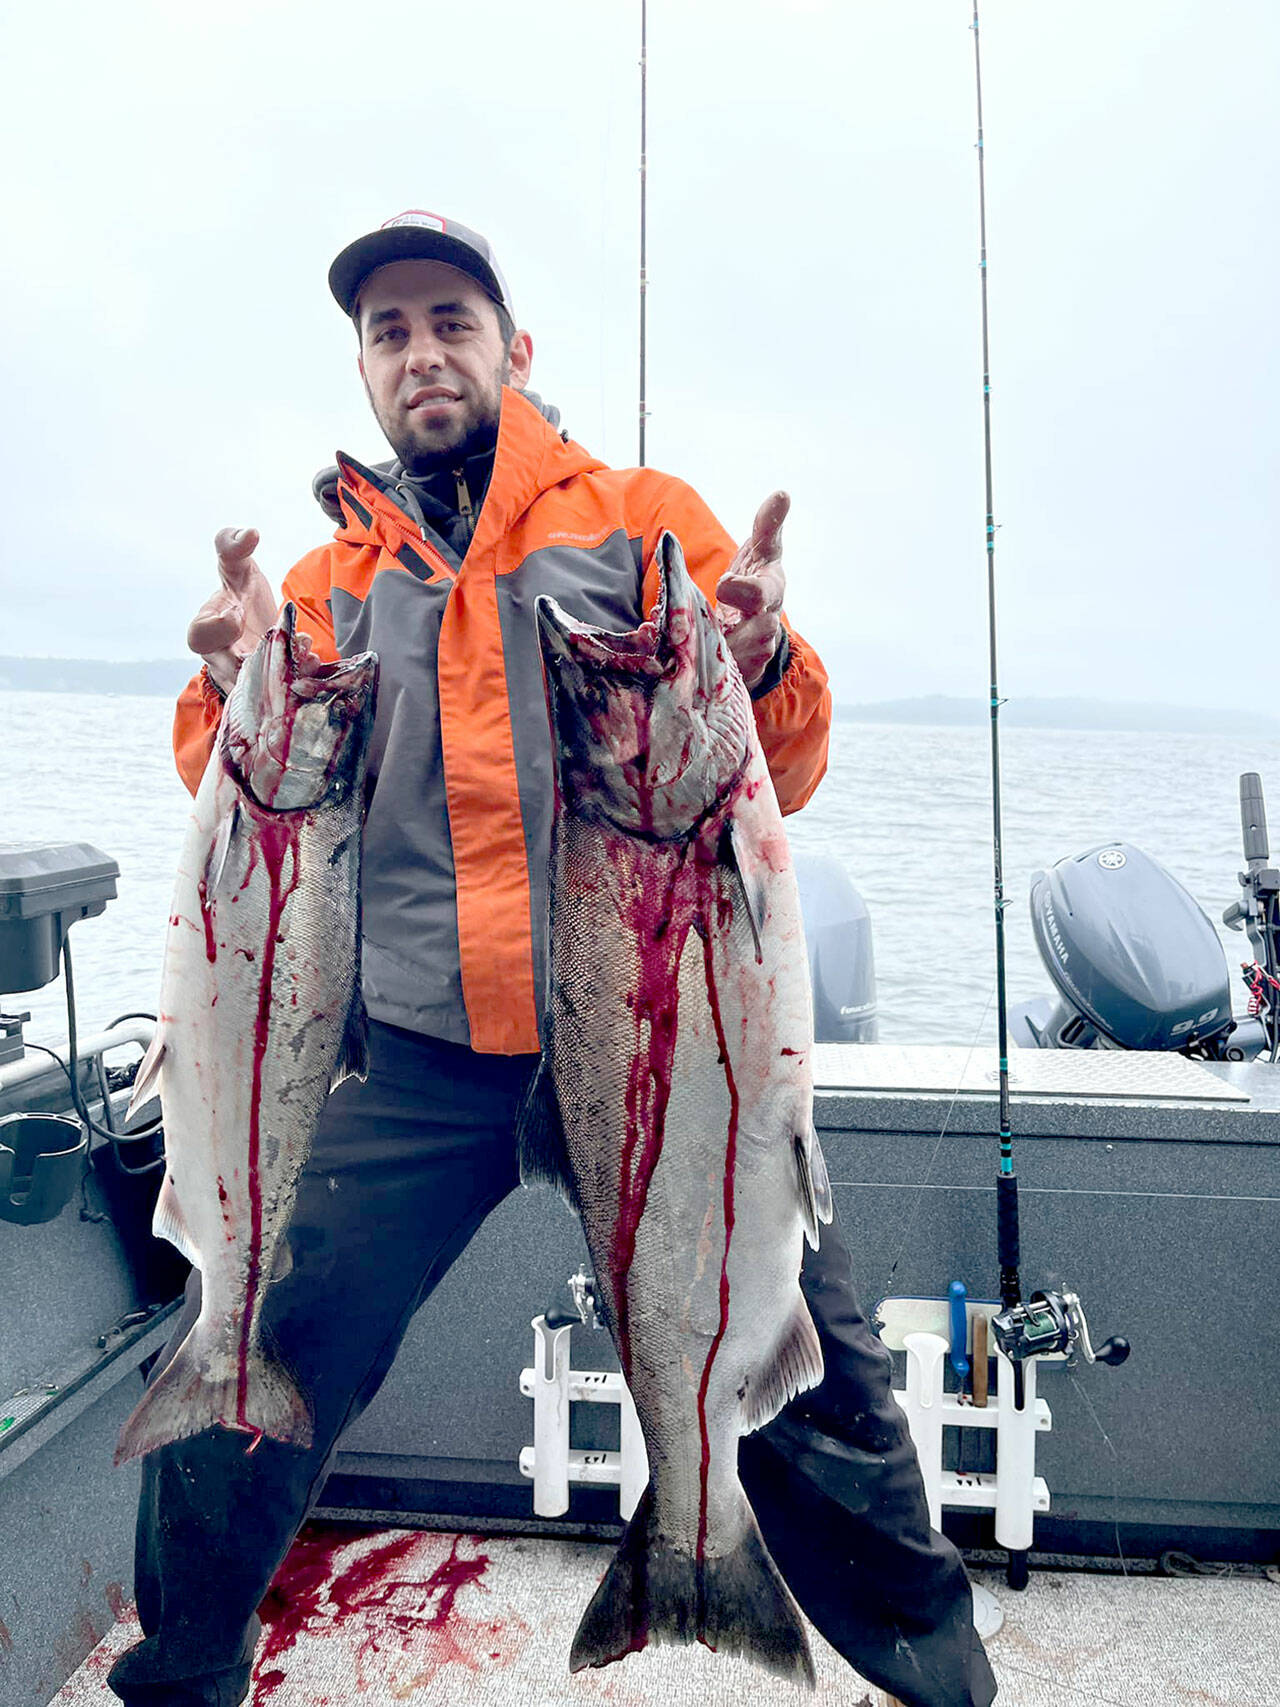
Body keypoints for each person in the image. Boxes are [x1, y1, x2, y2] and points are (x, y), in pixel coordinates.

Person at [108, 211, 996, 1707]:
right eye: (388, 332)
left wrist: (766, 653)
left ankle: (943, 1680)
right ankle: (179, 1674)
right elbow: (240, 807)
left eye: (450, 319)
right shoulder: (324, 577)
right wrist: (229, 679)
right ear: (365, 370)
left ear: (516, 350)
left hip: (658, 1049)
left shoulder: (642, 519)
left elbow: (785, 758)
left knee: (811, 1365)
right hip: (416, 1062)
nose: (421, 352)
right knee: (245, 1347)